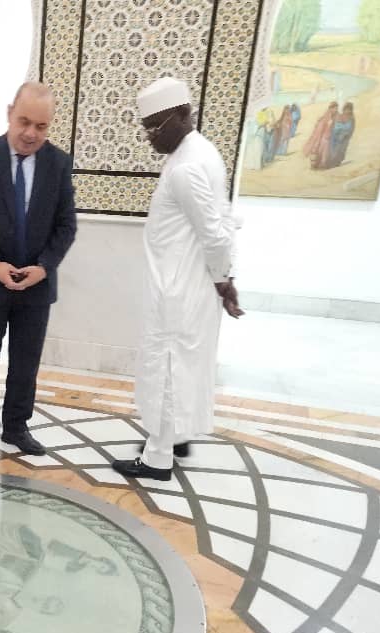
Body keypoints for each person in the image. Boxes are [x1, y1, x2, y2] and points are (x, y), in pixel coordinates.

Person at [112, 77, 242, 482]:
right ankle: (175, 437)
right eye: (146, 127)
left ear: (184, 115)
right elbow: (220, 220)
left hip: (178, 290)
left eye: (157, 126)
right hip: (187, 285)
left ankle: (157, 458)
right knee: (181, 366)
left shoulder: (186, 167)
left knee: (167, 368)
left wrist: (224, 279)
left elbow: (215, 233)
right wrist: (223, 277)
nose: (151, 136)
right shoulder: (199, 151)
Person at [0, 82, 77, 455]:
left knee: (26, 361)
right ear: (10, 113)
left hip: (35, 285)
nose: (31, 133)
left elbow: (66, 226)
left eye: (41, 126)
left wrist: (44, 267)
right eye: (24, 122)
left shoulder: (58, 164)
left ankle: (16, 425)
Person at [303, 101, 338, 169]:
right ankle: (319, 164)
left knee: (325, 151)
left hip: (328, 137)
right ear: (331, 108)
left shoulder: (334, 116)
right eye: (335, 108)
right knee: (320, 151)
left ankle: (322, 164)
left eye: (336, 108)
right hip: (323, 137)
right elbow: (322, 126)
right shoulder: (327, 116)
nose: (336, 110)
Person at [325, 102, 356, 168]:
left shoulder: (352, 118)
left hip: (345, 137)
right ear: (344, 109)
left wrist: (346, 134)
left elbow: (351, 128)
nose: (347, 111)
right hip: (337, 136)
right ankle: (332, 162)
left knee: (341, 150)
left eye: (349, 110)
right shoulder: (341, 116)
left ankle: (337, 162)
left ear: (351, 110)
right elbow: (336, 124)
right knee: (334, 149)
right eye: (346, 109)